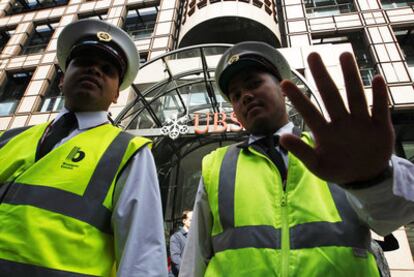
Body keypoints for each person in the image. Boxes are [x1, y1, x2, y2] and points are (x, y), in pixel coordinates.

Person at [179, 41, 414, 276]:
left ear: (283, 89)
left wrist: (372, 179)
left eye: (254, 84)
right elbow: (194, 258)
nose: (246, 96)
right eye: (236, 95)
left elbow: (392, 218)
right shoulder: (216, 165)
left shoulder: (336, 149)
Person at [0, 19, 167, 276]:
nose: (94, 71)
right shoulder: (8, 138)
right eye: (84, 62)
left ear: (116, 95)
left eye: (107, 69)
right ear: (62, 79)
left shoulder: (129, 151)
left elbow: (142, 257)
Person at [170, 210, 193, 276]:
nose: (194, 222)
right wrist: (187, 272)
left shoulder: (196, 236)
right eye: (191, 220)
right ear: (184, 221)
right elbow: (175, 258)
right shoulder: (176, 237)